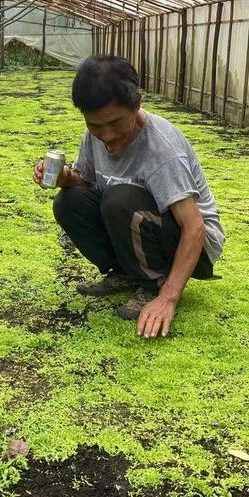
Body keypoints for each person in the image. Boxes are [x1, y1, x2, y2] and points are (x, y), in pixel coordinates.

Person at [34, 55, 224, 339]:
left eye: (114, 123)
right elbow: (88, 184)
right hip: (143, 223)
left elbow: (194, 228)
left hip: (195, 248)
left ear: (137, 104)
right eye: (95, 125)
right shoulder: (96, 136)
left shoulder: (161, 149)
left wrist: (168, 298)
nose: (107, 135)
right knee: (69, 201)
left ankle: (154, 284)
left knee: (119, 199)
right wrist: (65, 179)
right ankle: (125, 273)